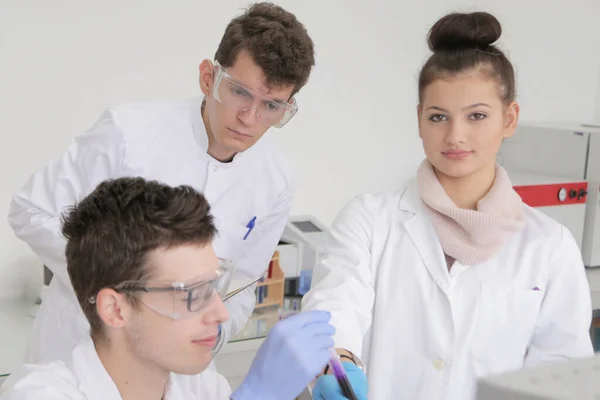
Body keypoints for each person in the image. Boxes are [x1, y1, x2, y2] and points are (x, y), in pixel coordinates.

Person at [302, 11, 594, 400]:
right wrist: (338, 363)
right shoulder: (370, 220)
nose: (456, 135)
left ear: (510, 119)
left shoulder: (549, 246)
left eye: (477, 115)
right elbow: (334, 309)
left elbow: (559, 374)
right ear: (419, 121)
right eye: (438, 117)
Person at [7, 2, 315, 364]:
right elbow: (29, 210)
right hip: (76, 351)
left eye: (271, 106)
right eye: (240, 92)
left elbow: (243, 285)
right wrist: (117, 287)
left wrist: (208, 343)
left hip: (175, 373)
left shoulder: (274, 181)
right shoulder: (128, 134)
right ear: (207, 77)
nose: (249, 118)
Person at [0, 177, 335, 400]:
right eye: (191, 294)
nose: (220, 313)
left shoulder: (199, 384)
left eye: (214, 285)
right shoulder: (41, 395)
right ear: (116, 310)